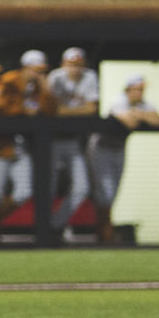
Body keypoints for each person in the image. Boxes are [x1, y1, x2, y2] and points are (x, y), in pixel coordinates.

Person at [0, 49, 57, 243]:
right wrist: (22, 109)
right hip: (1, 145)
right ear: (26, 68)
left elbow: (51, 111)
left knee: (24, 191)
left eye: (42, 70)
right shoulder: (9, 80)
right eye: (36, 70)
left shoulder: (39, 87)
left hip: (22, 146)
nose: (40, 74)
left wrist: (46, 88)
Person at [87, 74, 159, 243]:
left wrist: (137, 113)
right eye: (137, 89)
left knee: (112, 194)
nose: (140, 93)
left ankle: (104, 235)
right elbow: (130, 123)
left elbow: (157, 121)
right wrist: (142, 115)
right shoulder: (119, 100)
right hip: (101, 148)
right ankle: (105, 237)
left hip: (119, 149)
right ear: (128, 89)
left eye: (142, 89)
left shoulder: (141, 104)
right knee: (104, 194)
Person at [46, 47, 99, 241]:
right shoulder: (55, 77)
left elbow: (92, 108)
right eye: (70, 64)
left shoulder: (89, 77)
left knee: (82, 188)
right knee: (48, 188)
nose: (74, 69)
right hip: (50, 141)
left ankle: (55, 225)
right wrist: (76, 110)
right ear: (63, 64)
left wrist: (65, 111)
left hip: (73, 141)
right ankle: (45, 227)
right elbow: (51, 110)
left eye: (78, 65)